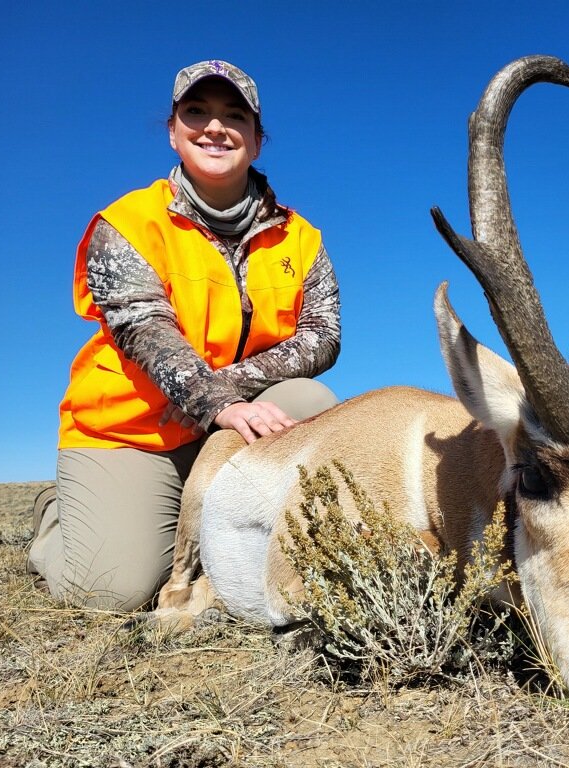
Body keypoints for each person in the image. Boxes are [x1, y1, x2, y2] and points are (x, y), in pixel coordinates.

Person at [28, 60, 341, 611]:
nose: (215, 127)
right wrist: (213, 399)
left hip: (223, 418)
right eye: (196, 112)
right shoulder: (125, 224)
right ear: (173, 132)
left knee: (311, 401)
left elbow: (322, 337)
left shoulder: (302, 238)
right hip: (131, 432)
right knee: (109, 593)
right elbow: (141, 327)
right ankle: (57, 516)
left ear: (257, 140)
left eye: (234, 116)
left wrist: (224, 391)